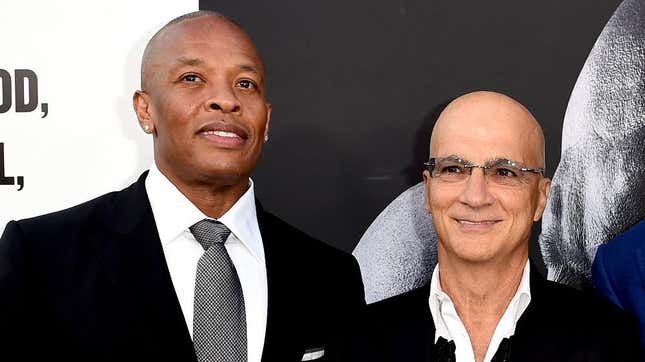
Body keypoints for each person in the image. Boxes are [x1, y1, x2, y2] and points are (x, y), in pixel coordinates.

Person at [0, 11, 364, 362]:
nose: (226, 100)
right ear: (145, 110)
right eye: (192, 78)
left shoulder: (331, 276)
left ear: (266, 120)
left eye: (245, 83)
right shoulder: (41, 257)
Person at [351, 91, 641, 362]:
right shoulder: (358, 343)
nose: (475, 197)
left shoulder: (607, 342)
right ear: (428, 190)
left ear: (541, 197)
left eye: (504, 172)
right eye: (454, 169)